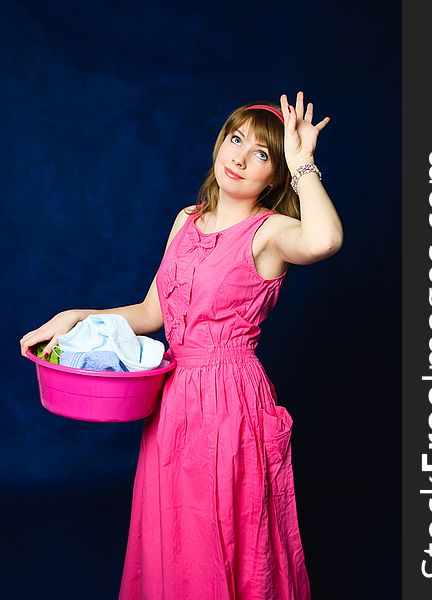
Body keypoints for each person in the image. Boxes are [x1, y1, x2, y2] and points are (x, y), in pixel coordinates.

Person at [20, 91, 343, 599]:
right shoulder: (185, 220)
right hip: (173, 402)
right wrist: (76, 316)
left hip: (231, 404)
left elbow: (325, 240)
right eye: (235, 139)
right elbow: (152, 314)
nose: (238, 157)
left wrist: (304, 164)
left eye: (261, 153)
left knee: (228, 531)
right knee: (177, 536)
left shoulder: (270, 233)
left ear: (274, 175)